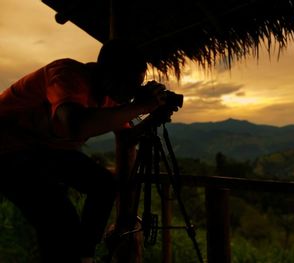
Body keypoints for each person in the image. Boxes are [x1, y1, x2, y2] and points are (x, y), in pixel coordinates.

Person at [0, 39, 171, 263]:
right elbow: (76, 125)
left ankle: (84, 255)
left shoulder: (111, 96)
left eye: (136, 86)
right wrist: (140, 106)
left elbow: (127, 136)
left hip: (43, 150)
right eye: (128, 84)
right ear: (107, 73)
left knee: (104, 185)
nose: (131, 93)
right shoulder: (66, 75)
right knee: (59, 217)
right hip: (7, 150)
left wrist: (152, 118)